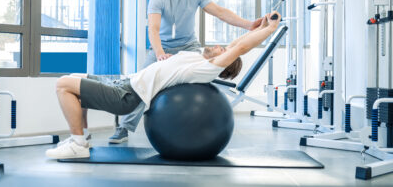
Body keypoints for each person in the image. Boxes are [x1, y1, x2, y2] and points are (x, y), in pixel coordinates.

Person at [45, 12, 281, 159]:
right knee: (74, 78)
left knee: (63, 84)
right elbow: (236, 43)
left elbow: (240, 49)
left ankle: (78, 144)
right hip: (125, 82)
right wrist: (260, 27)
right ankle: (82, 138)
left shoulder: (206, 69)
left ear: (222, 62)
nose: (221, 46)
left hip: (127, 95)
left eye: (223, 51)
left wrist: (271, 30)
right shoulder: (200, 57)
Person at [109, 0, 264, 144]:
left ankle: (201, 123)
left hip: (190, 46)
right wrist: (159, 54)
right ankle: (123, 128)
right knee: (142, 83)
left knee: (203, 74)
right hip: (162, 47)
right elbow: (154, 30)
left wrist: (248, 25)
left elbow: (220, 12)